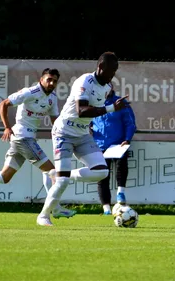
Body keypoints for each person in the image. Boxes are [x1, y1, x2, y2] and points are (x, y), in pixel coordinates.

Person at [0, 68, 76, 218]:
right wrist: (7, 127)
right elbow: (3, 104)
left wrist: (68, 131)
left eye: (54, 81)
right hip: (23, 137)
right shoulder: (29, 92)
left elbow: (55, 121)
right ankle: (55, 209)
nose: (52, 83)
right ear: (41, 79)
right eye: (49, 79)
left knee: (4, 177)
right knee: (53, 172)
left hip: (25, 139)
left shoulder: (52, 98)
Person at [36, 51, 128, 226]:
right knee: (62, 182)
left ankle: (62, 175)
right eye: (111, 70)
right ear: (100, 67)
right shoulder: (84, 81)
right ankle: (43, 216)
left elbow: (99, 103)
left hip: (83, 134)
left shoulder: (108, 87)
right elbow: (81, 110)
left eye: (116, 71)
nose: (113, 74)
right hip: (63, 132)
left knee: (102, 171)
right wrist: (110, 109)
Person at [91, 89, 136, 214]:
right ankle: (106, 209)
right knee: (102, 175)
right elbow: (86, 121)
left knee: (122, 165)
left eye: (107, 86)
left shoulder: (120, 102)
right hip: (100, 145)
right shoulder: (93, 102)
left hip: (119, 143)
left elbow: (130, 123)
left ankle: (121, 193)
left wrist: (127, 139)